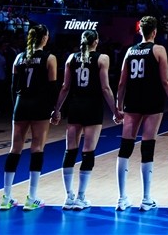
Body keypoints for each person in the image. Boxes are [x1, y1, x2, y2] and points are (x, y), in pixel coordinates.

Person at [51, 30, 121, 210]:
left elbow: (65, 87)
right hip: (93, 107)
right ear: (96, 41)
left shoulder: (71, 58)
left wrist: (56, 109)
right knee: (88, 153)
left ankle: (68, 197)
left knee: (70, 151)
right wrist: (115, 110)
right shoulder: (102, 58)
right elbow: (105, 88)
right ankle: (81, 197)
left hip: (75, 107)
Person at [115, 16, 168, 212]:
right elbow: (166, 81)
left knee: (125, 148)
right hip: (152, 101)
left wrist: (118, 106)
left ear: (140, 31)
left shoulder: (130, 51)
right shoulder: (158, 50)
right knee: (147, 147)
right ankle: (146, 199)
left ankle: (121, 198)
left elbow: (121, 83)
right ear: (154, 32)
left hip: (132, 102)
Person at [0, 24, 57, 211]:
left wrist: (15, 106)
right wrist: (55, 109)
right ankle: (32, 198)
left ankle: (6, 197)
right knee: (37, 147)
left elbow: (13, 86)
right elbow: (52, 88)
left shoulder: (19, 57)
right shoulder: (49, 58)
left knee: (14, 148)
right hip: (39, 105)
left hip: (21, 103)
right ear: (45, 38)